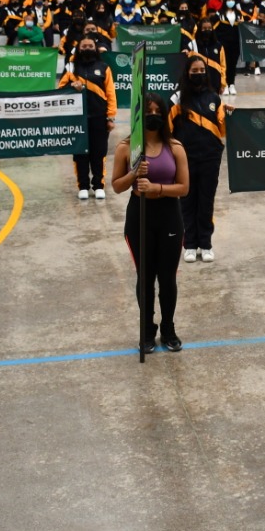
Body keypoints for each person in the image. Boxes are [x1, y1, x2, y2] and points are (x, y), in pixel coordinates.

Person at [111, 93, 190, 355]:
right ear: (138, 116)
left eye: (158, 111)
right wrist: (134, 174)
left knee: (167, 278)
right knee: (144, 277)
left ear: (165, 115)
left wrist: (155, 187)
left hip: (169, 217)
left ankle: (168, 328)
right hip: (139, 218)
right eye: (147, 111)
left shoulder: (176, 147)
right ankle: (146, 330)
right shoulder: (127, 148)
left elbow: (184, 188)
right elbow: (116, 186)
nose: (152, 115)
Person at [171, 55, 233, 263]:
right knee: (187, 201)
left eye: (201, 71)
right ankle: (189, 244)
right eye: (194, 71)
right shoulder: (177, 98)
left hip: (210, 157)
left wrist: (232, 116)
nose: (198, 74)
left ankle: (205, 244)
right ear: (187, 73)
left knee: (206, 201)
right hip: (185, 159)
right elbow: (166, 127)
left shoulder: (214, 98)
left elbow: (222, 129)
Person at [60, 36, 116, 200]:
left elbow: (111, 94)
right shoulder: (70, 67)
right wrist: (72, 86)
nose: (87, 48)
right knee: (80, 153)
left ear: (96, 48)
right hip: (76, 119)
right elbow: (60, 89)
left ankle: (98, 185)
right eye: (83, 46)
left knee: (99, 152)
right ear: (78, 49)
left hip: (99, 117)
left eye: (90, 45)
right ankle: (83, 186)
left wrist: (110, 117)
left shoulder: (104, 67)